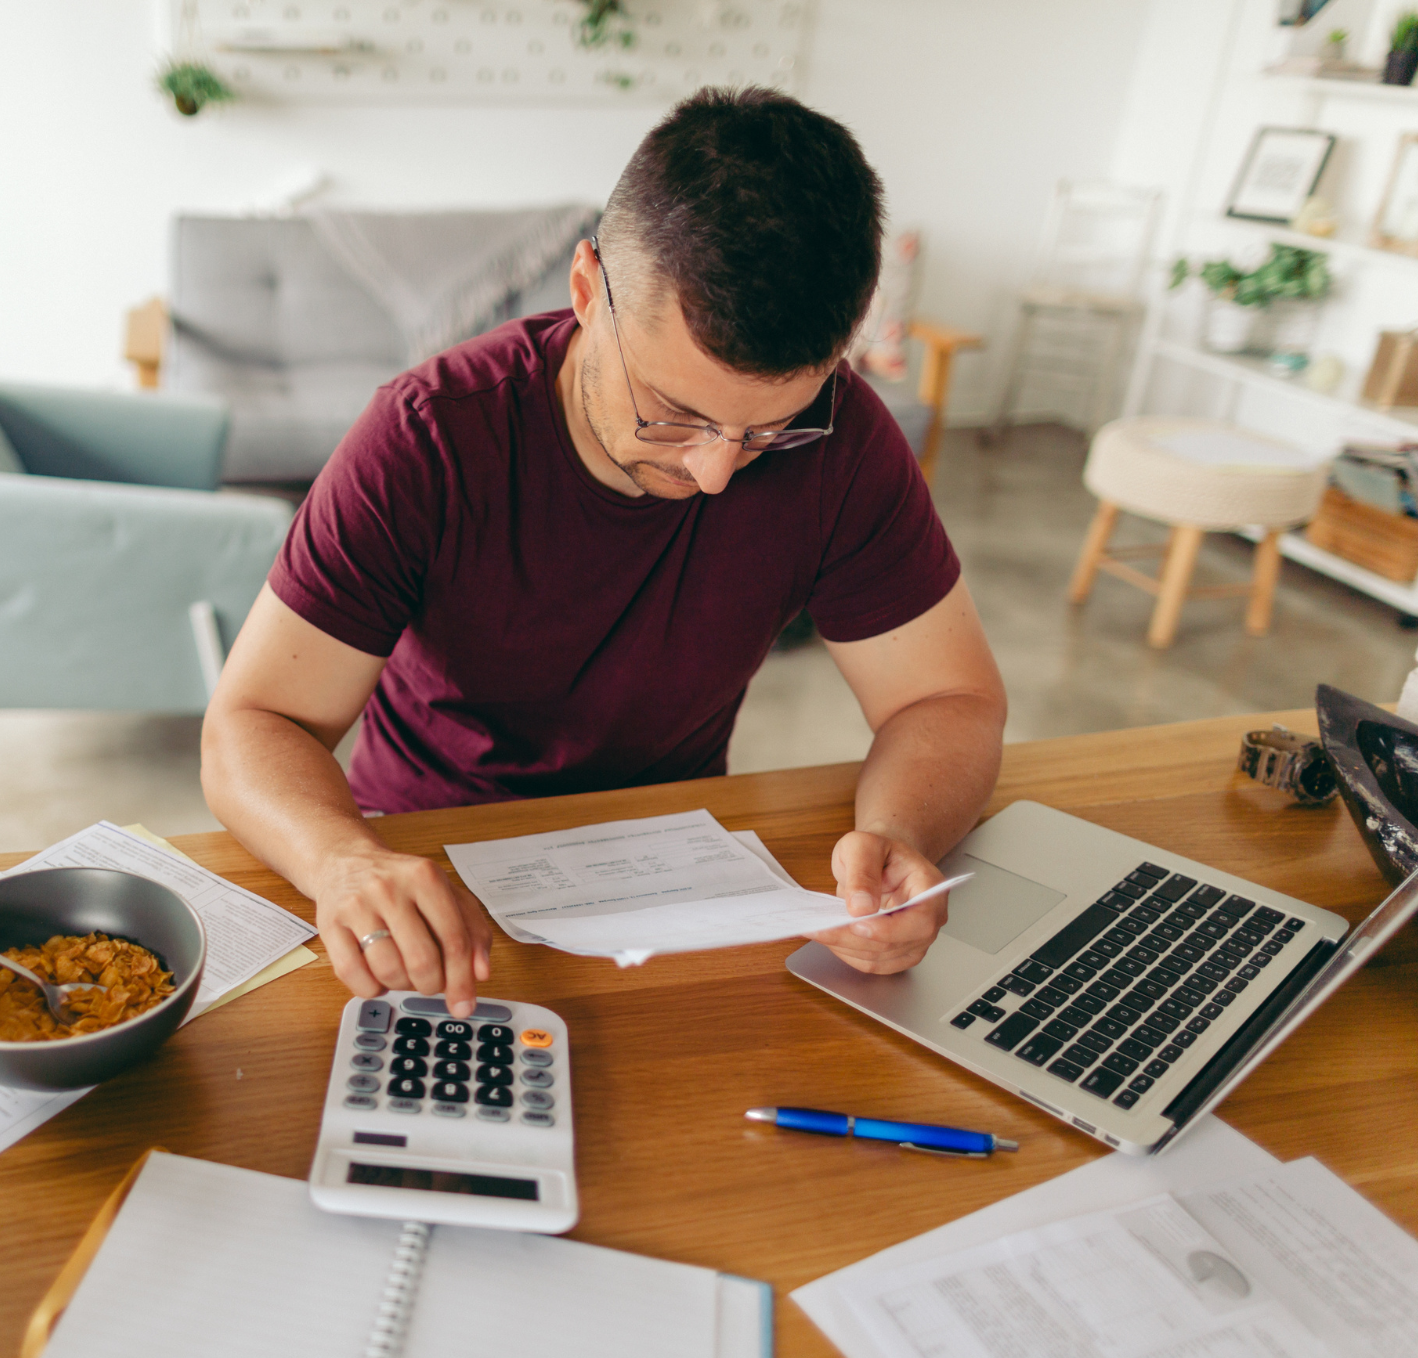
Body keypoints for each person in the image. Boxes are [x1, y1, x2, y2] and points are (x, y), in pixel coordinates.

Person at [202, 87, 1007, 1017]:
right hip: (425, 867)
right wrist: (341, 860)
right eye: (675, 416)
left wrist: (901, 834)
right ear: (587, 292)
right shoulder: (428, 437)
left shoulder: (845, 437)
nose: (714, 474)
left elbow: (946, 696)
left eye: (767, 430)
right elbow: (251, 723)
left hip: (672, 868)